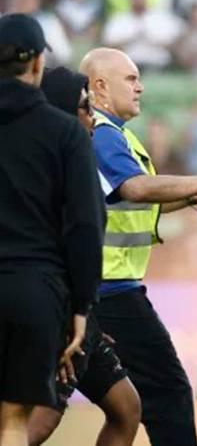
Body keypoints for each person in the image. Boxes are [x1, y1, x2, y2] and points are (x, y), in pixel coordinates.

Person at [78, 47, 197, 446]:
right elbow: (136, 188)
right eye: (131, 79)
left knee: (118, 408)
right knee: (169, 394)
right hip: (113, 291)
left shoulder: (112, 134)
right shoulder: (103, 135)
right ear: (100, 87)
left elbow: (136, 202)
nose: (140, 87)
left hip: (104, 290)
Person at [0, 14, 103, 446]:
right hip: (33, 291)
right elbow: (84, 225)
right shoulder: (65, 133)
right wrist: (81, 305)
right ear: (39, 64)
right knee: (12, 422)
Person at [26, 66, 142, 446]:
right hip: (57, 314)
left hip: (77, 315)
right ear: (64, 112)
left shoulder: (59, 160)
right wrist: (72, 320)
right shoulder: (59, 168)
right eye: (83, 108)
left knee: (126, 409)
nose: (92, 117)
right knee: (37, 425)